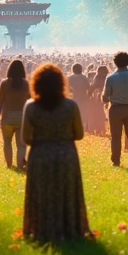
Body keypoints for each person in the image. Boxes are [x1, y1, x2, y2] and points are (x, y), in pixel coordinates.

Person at [22, 63, 90, 242]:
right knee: (66, 192)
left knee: (42, 193)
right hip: (65, 153)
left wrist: (43, 140)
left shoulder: (31, 107)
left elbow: (26, 138)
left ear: (36, 84)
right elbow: (80, 134)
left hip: (40, 155)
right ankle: (68, 228)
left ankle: (41, 229)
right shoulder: (71, 106)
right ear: (62, 83)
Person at [101, 52, 128, 169]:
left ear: (115, 63)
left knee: (115, 136)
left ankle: (115, 160)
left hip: (115, 108)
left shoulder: (110, 78)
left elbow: (105, 97)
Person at [0, 60, 31, 170]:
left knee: (7, 142)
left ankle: (9, 165)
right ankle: (20, 164)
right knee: (21, 145)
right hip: (22, 117)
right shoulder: (26, 84)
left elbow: (0, 102)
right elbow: (30, 100)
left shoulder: (4, 83)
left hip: (7, 117)